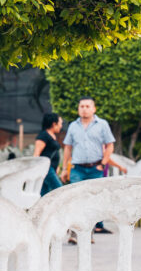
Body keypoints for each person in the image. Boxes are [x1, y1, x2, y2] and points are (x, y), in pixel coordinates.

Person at [62, 97, 115, 233]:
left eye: (87, 106)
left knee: (94, 200)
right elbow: (67, 147)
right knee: (76, 199)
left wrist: (103, 164)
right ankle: (75, 231)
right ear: (78, 109)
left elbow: (110, 145)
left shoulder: (102, 124)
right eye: (82, 106)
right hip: (77, 168)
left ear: (94, 109)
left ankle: (89, 231)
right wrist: (64, 168)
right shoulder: (73, 126)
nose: (84, 109)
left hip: (95, 169)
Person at [33, 112, 63, 196]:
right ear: (54, 124)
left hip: (51, 168)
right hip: (46, 168)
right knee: (59, 189)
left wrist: (56, 167)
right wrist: (37, 169)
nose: (61, 126)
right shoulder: (43, 136)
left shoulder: (52, 135)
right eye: (60, 123)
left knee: (44, 192)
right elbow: (36, 153)